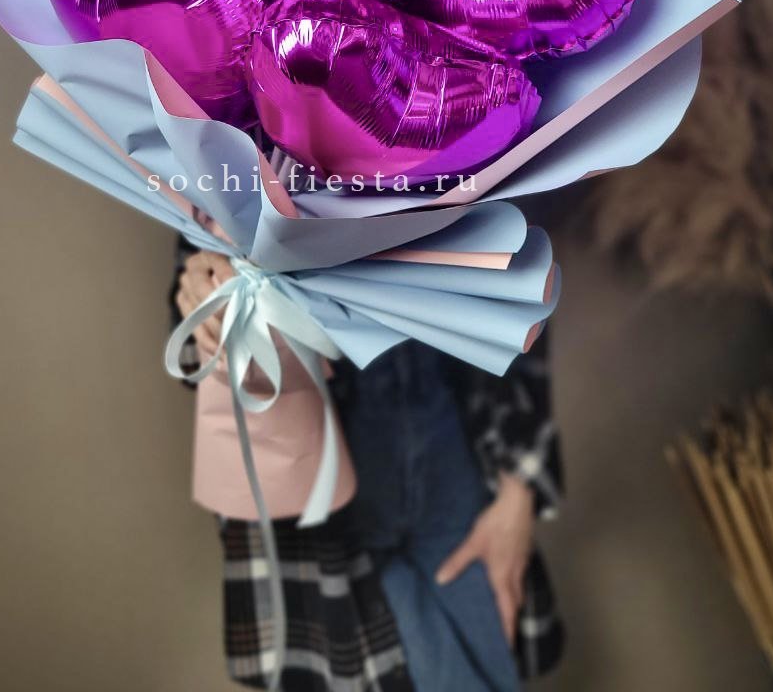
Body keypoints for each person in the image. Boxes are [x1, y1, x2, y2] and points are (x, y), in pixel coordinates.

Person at [172, 241, 564, 692]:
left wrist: (520, 487)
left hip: (455, 457)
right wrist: (207, 299)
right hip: (326, 490)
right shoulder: (220, 194)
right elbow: (190, 323)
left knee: (490, 672)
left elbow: (521, 271)